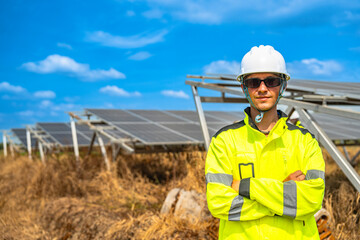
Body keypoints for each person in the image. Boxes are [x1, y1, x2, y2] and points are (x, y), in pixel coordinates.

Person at [205, 45, 325, 239]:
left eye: (271, 81)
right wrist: (283, 191)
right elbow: (219, 204)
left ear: (283, 86)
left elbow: (311, 201)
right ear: (243, 87)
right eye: (254, 82)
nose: (262, 89)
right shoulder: (223, 141)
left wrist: (245, 187)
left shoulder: (305, 141)